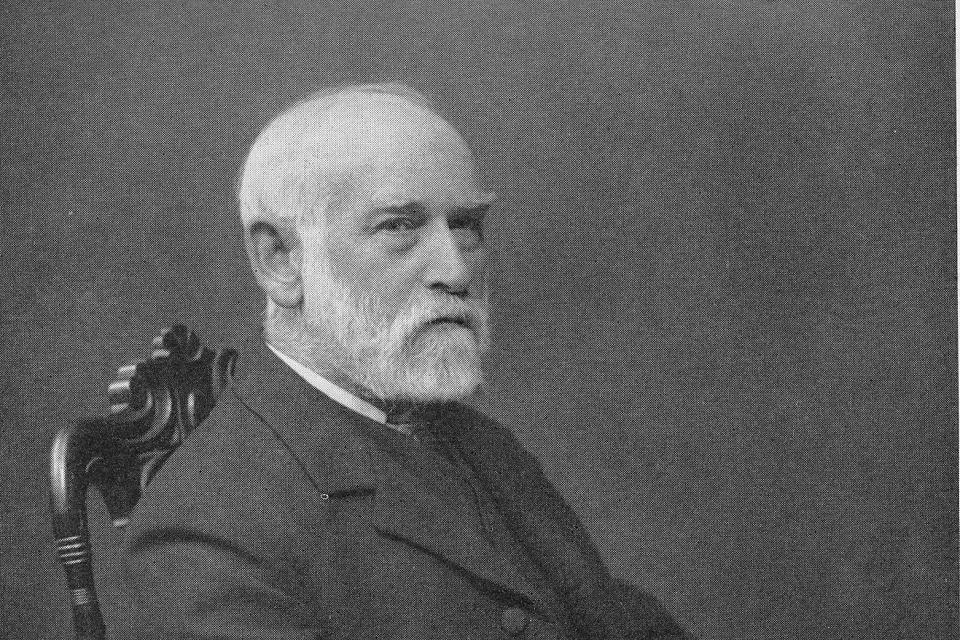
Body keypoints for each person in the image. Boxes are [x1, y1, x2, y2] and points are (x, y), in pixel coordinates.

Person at [122, 83, 691, 640]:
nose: (456, 269)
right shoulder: (207, 521)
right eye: (398, 226)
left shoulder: (483, 447)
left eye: (465, 226)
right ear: (280, 262)